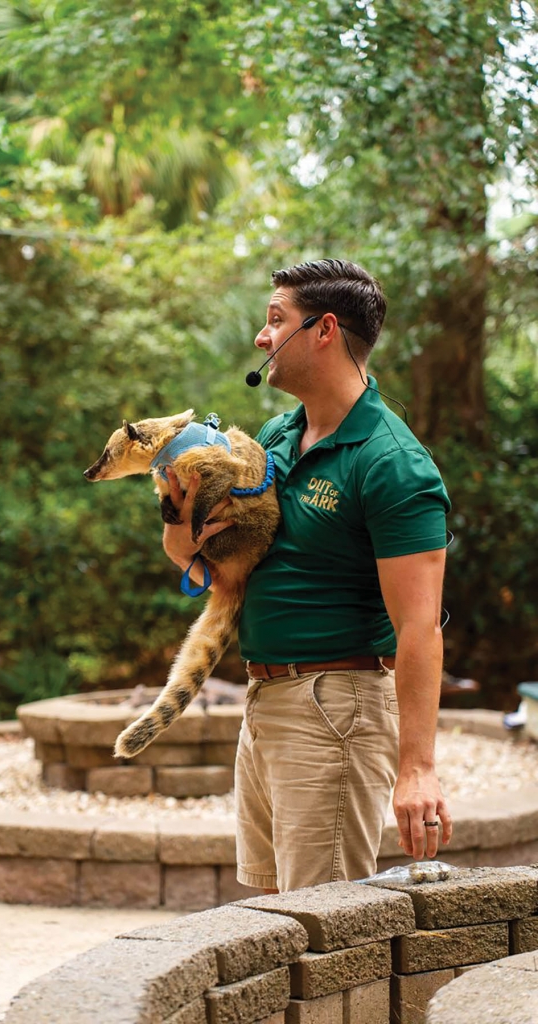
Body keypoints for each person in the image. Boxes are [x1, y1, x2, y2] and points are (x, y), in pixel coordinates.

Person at [162, 258, 453, 892]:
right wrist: (178, 512)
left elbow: (420, 628)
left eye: (276, 320)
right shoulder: (274, 435)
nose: (263, 338)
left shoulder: (392, 463)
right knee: (271, 919)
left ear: (323, 330)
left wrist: (418, 768)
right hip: (265, 700)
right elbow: (215, 570)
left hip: (337, 709)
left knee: (324, 933)